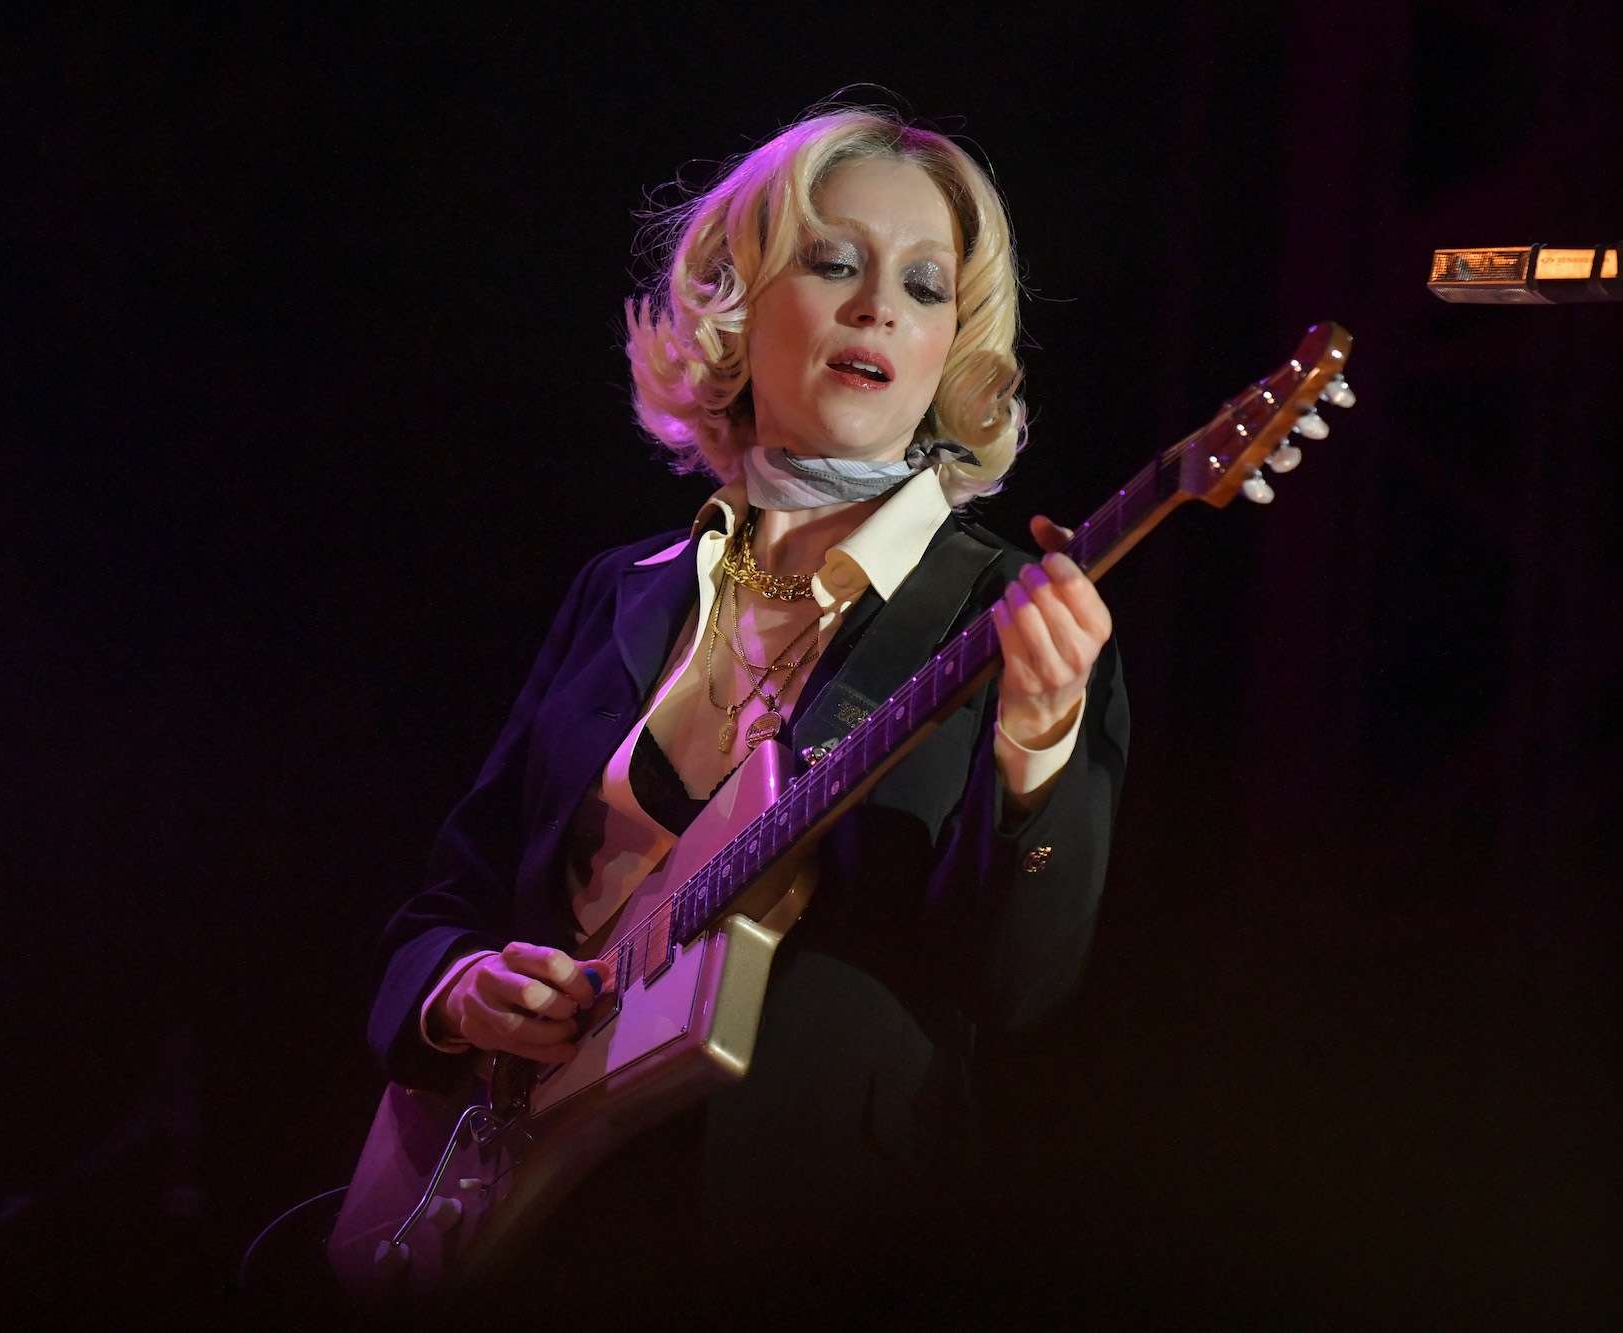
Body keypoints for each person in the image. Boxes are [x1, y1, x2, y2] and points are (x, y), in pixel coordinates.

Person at [363, 104, 1131, 1294]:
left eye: (925, 286)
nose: (879, 308)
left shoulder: (999, 617)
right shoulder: (620, 587)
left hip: (804, 1253)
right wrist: (456, 993)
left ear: (951, 347)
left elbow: (1022, 986)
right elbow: (448, 897)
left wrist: (1036, 745)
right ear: (734, 301)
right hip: (529, 1230)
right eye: (833, 263)